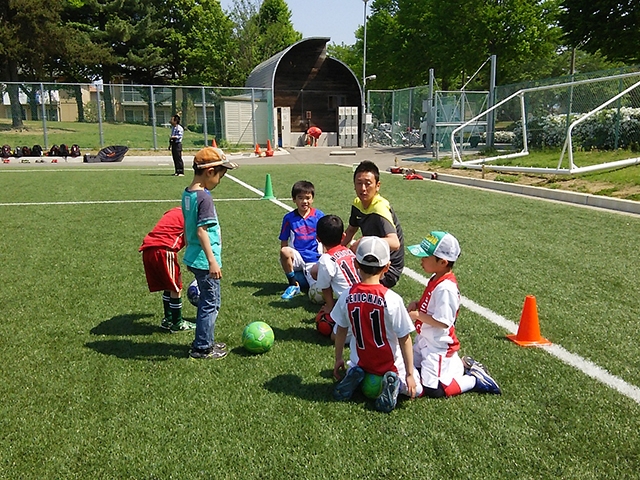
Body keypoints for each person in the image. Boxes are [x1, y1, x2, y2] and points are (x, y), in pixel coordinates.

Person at [331, 236, 422, 413]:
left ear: (356, 264)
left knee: (355, 364)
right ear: (387, 267)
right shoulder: (392, 299)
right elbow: (405, 339)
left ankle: (354, 374)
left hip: (361, 360)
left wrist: (338, 359)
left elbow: (341, 331)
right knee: (417, 389)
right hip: (389, 364)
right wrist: (410, 374)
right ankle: (395, 383)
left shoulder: (346, 295)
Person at [407, 231, 501, 397]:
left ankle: (474, 378)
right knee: (412, 367)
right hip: (425, 339)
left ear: (443, 262)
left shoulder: (446, 288)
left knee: (435, 390)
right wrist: (418, 305)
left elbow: (444, 321)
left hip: (438, 345)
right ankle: (458, 365)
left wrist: (417, 315)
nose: (421, 260)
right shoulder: (437, 277)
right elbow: (432, 306)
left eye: (425, 257)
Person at [181, 146, 238, 360]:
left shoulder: (188, 193)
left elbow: (189, 226)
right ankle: (202, 347)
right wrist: (213, 262)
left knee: (208, 300)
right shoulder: (205, 198)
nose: (220, 181)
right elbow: (201, 230)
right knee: (211, 303)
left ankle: (206, 340)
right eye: (220, 176)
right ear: (210, 172)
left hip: (195, 256)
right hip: (205, 260)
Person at [342, 160, 404, 288]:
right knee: (337, 267)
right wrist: (335, 251)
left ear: (377, 186)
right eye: (359, 183)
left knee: (342, 278)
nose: (363, 188)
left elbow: (395, 243)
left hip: (387, 269)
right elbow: (350, 231)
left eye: (368, 184)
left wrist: (365, 241)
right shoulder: (357, 203)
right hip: (371, 259)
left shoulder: (380, 208)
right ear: (354, 185)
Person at [139, 207, 195, 332]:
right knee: (176, 287)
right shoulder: (192, 216)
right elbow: (193, 239)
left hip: (148, 249)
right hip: (164, 249)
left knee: (167, 285)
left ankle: (168, 319)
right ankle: (177, 322)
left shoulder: (174, 210)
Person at [279, 180, 324, 300]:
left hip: (314, 259)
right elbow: (284, 241)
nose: (304, 201)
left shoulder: (319, 216)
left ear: (312, 199)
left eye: (308, 198)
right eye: (300, 198)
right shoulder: (289, 218)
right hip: (297, 257)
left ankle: (305, 281)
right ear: (294, 199)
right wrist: (285, 260)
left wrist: (324, 259)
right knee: (284, 251)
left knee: (318, 292)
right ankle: (293, 284)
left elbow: (325, 239)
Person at [314, 214, 360, 313]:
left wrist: (330, 307)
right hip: (363, 297)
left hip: (349, 304)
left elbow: (325, 287)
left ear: (318, 238)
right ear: (343, 236)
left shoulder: (326, 259)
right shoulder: (349, 252)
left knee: (335, 328)